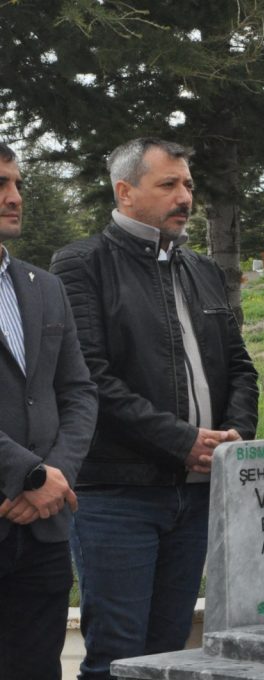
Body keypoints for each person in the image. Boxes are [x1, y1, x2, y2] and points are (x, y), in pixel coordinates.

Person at [50, 138, 259, 680]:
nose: (184, 196)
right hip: (118, 493)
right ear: (125, 192)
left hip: (197, 493)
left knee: (170, 655)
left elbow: (240, 366)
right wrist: (182, 440)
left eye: (187, 184)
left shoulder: (201, 269)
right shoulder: (81, 264)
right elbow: (91, 378)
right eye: (168, 184)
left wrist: (236, 436)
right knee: (117, 654)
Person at [0, 143, 97, 680]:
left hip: (42, 532)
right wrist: (28, 476)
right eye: (1, 184)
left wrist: (53, 478)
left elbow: (78, 391)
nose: (15, 197)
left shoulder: (45, 287)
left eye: (17, 183)